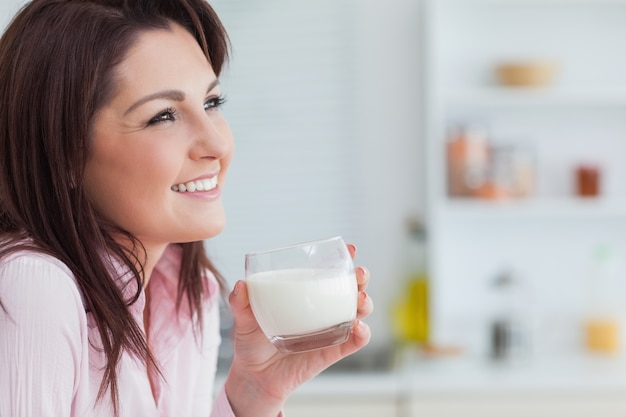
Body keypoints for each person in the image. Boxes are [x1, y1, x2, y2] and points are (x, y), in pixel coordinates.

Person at [0, 1, 374, 416]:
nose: (217, 145)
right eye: (163, 116)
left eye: (212, 102)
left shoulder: (188, 293)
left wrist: (254, 394)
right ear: (65, 154)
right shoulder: (32, 285)